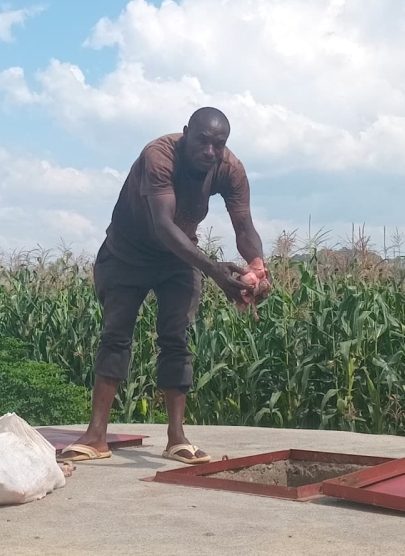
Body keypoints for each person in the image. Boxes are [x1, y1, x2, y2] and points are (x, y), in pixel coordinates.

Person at [59, 107, 272, 465]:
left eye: (218, 145)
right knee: (116, 336)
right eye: (203, 141)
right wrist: (215, 271)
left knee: (176, 339)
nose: (209, 151)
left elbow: (244, 227)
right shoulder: (159, 155)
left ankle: (177, 438)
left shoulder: (230, 169)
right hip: (127, 255)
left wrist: (258, 267)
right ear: (186, 132)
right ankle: (96, 436)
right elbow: (163, 225)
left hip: (179, 259)